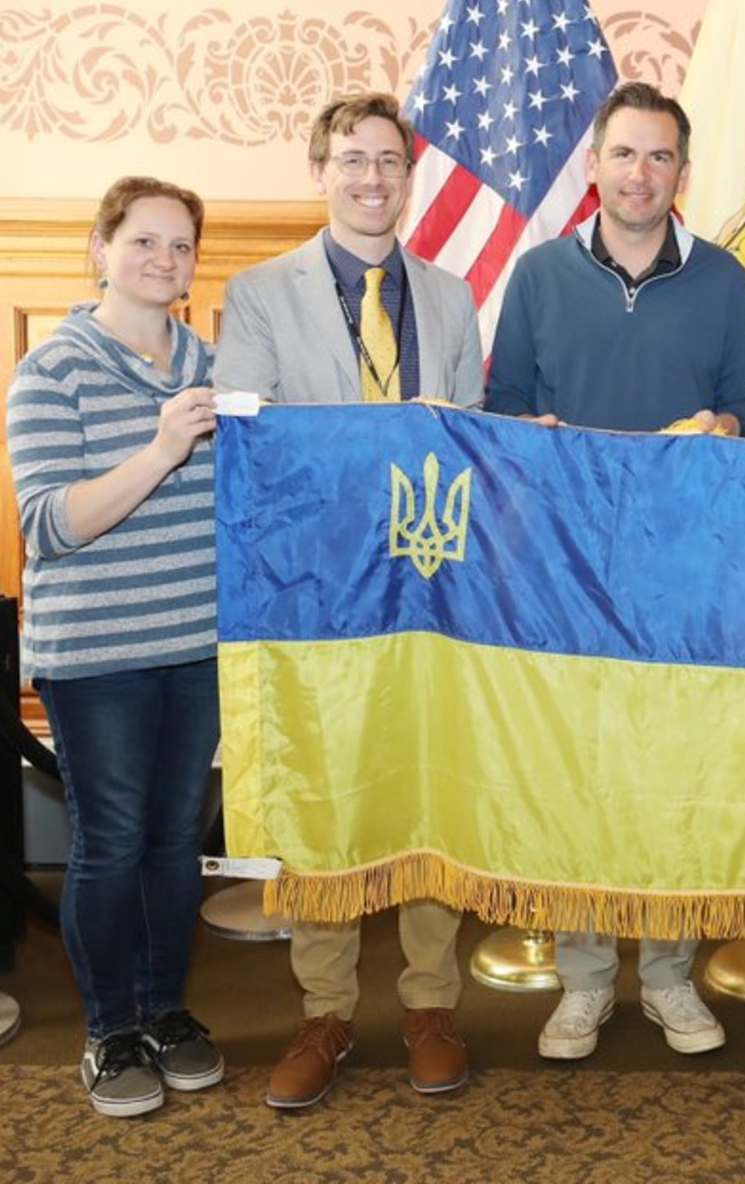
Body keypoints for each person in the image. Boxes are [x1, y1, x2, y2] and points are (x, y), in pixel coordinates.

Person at [213, 92, 486, 1111]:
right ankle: (324, 1010)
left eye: (389, 161)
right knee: (325, 786)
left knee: (428, 780)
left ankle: (429, 1003)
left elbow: (472, 437)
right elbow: (253, 436)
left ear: (410, 176)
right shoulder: (258, 294)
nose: (372, 178)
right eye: (352, 159)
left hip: (429, 581)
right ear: (320, 170)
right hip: (317, 585)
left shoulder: (451, 295)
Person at [485, 79, 745, 1060]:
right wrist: (533, 433)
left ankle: (670, 974)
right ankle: (585, 979)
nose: (640, 173)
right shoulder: (537, 276)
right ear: (596, 164)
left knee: (675, 768)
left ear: (682, 172)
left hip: (685, 565)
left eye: (659, 156)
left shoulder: (725, 280)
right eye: (624, 153)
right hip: (566, 565)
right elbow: (503, 411)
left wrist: (724, 424)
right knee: (578, 770)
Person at [7, 176, 222, 1118]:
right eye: (144, 241)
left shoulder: (214, 364)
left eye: (180, 246)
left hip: (198, 643)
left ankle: (165, 1010)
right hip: (97, 655)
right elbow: (50, 525)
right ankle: (111, 1029)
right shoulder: (50, 369)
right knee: (111, 843)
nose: (163, 260)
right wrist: (163, 448)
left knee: (177, 841)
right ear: (100, 249)